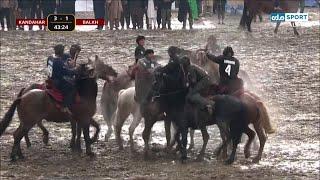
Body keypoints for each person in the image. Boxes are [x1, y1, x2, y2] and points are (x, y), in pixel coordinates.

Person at [47, 44, 78, 114]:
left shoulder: (50, 57)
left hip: (50, 79)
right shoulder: (58, 61)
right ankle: (65, 106)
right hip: (57, 82)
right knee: (72, 87)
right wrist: (75, 71)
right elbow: (66, 72)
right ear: (61, 52)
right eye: (63, 51)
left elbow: (64, 60)